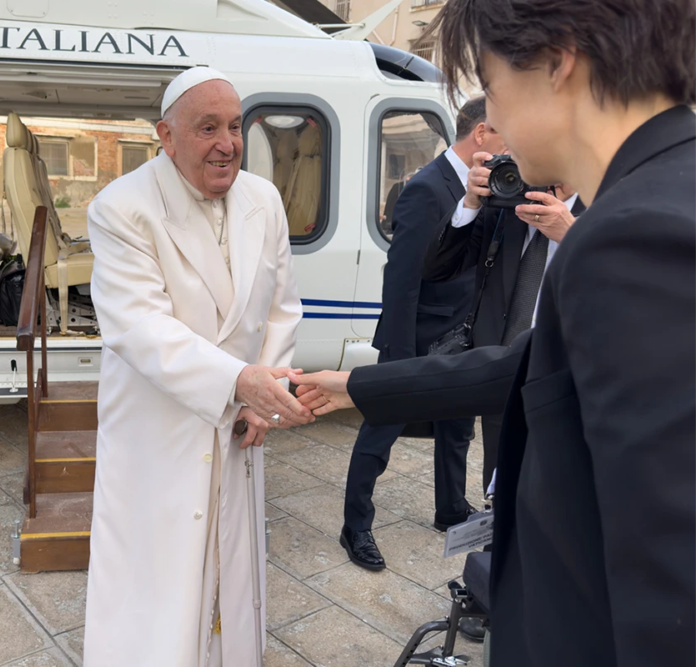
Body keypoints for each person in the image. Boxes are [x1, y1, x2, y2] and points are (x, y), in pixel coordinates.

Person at [290, 1, 696, 664]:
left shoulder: (637, 238)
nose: (493, 121)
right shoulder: (656, 196)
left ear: (558, 61)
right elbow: (535, 365)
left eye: (492, 84)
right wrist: (356, 385)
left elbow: (672, 594)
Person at [82, 66, 312, 667]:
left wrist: (267, 389)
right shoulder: (122, 208)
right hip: (161, 433)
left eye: (235, 126)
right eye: (207, 127)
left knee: (233, 571)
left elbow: (282, 308)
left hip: (239, 424)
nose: (227, 143)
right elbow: (138, 327)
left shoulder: (263, 198)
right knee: (156, 584)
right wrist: (240, 384)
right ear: (167, 135)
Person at [340, 96, 507, 573]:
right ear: (481, 134)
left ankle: (450, 508)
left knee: (457, 431)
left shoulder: (487, 184)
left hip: (464, 334)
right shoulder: (425, 187)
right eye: (504, 135)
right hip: (416, 336)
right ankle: (355, 525)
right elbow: (402, 274)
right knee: (380, 432)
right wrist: (398, 351)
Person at [424, 165, 587, 494]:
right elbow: (437, 268)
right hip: (504, 371)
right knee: (499, 488)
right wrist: (470, 200)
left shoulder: (608, 209)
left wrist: (573, 236)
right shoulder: (508, 207)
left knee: (560, 493)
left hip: (568, 380)